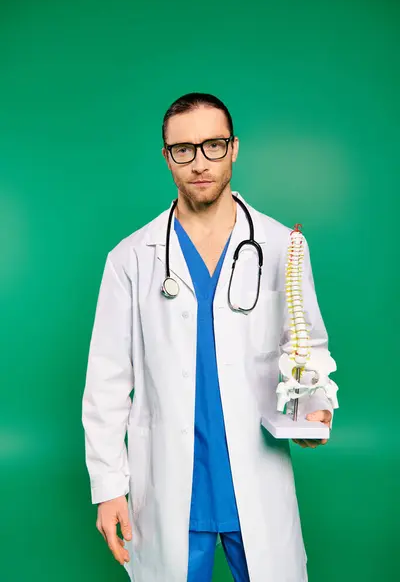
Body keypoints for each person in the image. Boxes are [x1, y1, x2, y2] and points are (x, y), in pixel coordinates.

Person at [81, 92, 338, 582]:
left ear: (234, 148)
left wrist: (314, 405)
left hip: (255, 482)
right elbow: (106, 383)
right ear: (166, 157)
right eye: (184, 149)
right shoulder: (132, 259)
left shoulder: (283, 245)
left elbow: (308, 344)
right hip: (171, 486)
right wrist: (109, 487)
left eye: (214, 145)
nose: (200, 163)